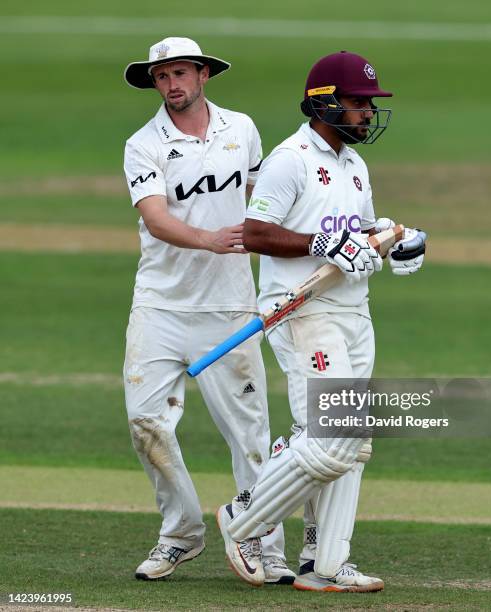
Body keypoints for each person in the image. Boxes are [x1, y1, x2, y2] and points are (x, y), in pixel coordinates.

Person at [216, 50, 425, 591]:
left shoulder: (354, 165)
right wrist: (320, 243)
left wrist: (395, 241)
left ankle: (326, 564)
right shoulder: (291, 158)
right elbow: (254, 233)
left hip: (354, 310)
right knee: (332, 437)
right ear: (324, 103)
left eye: (369, 105)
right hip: (301, 308)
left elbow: (360, 231)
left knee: (352, 441)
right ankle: (244, 522)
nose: (367, 114)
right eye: (359, 104)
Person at [122, 37, 294, 584]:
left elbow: (264, 202)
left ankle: (266, 543)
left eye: (180, 73)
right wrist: (207, 238)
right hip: (161, 307)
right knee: (146, 422)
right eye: (161, 76)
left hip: (230, 307)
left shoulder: (241, 130)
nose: (171, 85)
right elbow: (154, 218)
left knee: (250, 436)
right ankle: (181, 532)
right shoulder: (142, 144)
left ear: (203, 75)